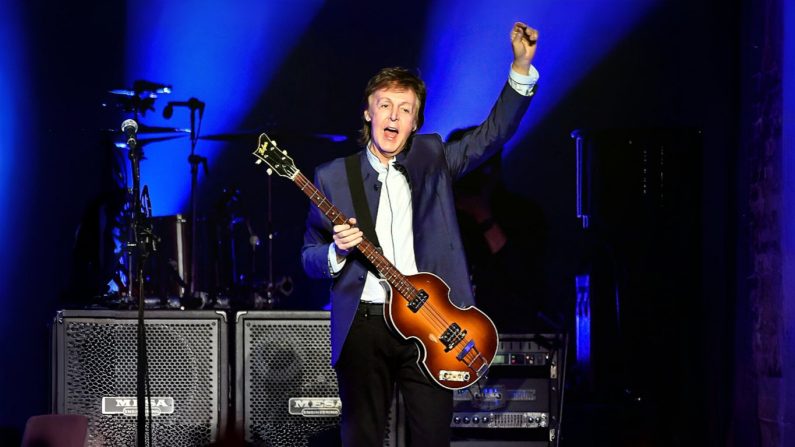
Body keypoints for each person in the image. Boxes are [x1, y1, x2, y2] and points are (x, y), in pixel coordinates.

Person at [301, 22, 540, 447]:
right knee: (361, 437)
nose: (394, 116)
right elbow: (308, 256)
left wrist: (520, 66)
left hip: (431, 322)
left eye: (405, 108)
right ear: (367, 112)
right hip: (365, 322)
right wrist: (336, 252)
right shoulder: (334, 177)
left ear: (416, 121)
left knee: (431, 437)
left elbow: (492, 135)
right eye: (385, 105)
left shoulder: (433, 159)